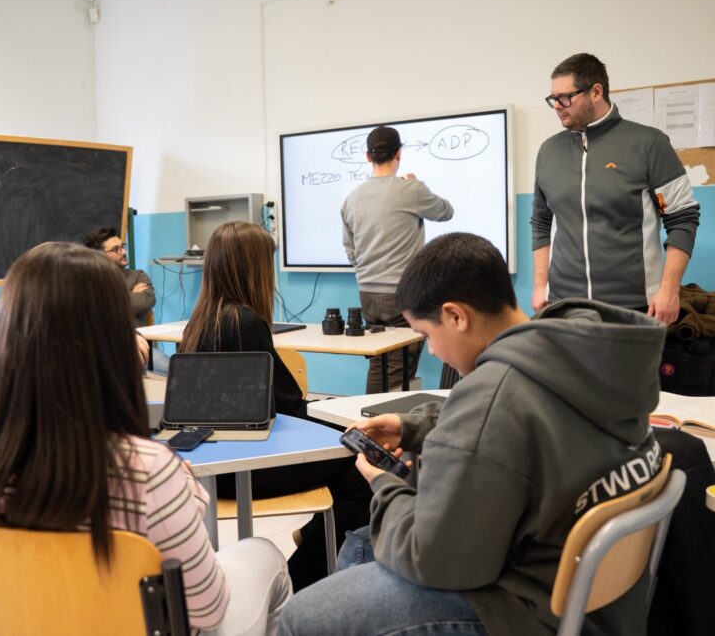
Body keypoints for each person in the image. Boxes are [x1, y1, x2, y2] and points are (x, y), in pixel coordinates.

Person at [281, 233, 667, 636]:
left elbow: (432, 558)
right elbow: (513, 419)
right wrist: (412, 426)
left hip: (525, 610)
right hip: (595, 602)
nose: (432, 351)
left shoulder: (493, 397)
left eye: (427, 335)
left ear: (456, 316)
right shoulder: (581, 359)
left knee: (302, 616)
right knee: (362, 546)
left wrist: (386, 485)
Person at [0, 242, 291, 635]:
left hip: (28, 623)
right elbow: (207, 609)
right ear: (114, 338)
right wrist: (187, 495)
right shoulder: (148, 470)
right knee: (266, 555)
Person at [179, 221, 372, 591]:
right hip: (247, 468)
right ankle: (302, 580)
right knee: (362, 467)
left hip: (213, 466)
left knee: (347, 453)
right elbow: (287, 407)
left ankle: (310, 537)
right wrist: (339, 421)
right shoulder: (245, 321)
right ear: (255, 268)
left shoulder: (200, 321)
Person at [531, 52, 700, 324]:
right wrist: (541, 286)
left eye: (565, 98)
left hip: (634, 307)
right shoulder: (549, 151)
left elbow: (682, 217)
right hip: (564, 305)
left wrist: (669, 290)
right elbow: (541, 221)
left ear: (596, 92)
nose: (557, 106)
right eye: (553, 99)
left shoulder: (649, 144)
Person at [341, 125, 453, 393]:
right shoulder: (410, 190)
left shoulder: (351, 199)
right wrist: (418, 184)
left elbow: (350, 250)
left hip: (368, 294)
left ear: (368, 156)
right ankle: (381, 419)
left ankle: (368, 414)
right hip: (402, 294)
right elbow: (446, 212)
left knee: (379, 362)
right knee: (397, 369)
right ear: (399, 153)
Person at [84, 225, 155, 327]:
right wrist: (129, 295)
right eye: (116, 249)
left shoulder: (138, 276)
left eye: (122, 246)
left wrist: (108, 302)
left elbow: (148, 300)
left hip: (134, 335)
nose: (124, 252)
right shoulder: (88, 281)